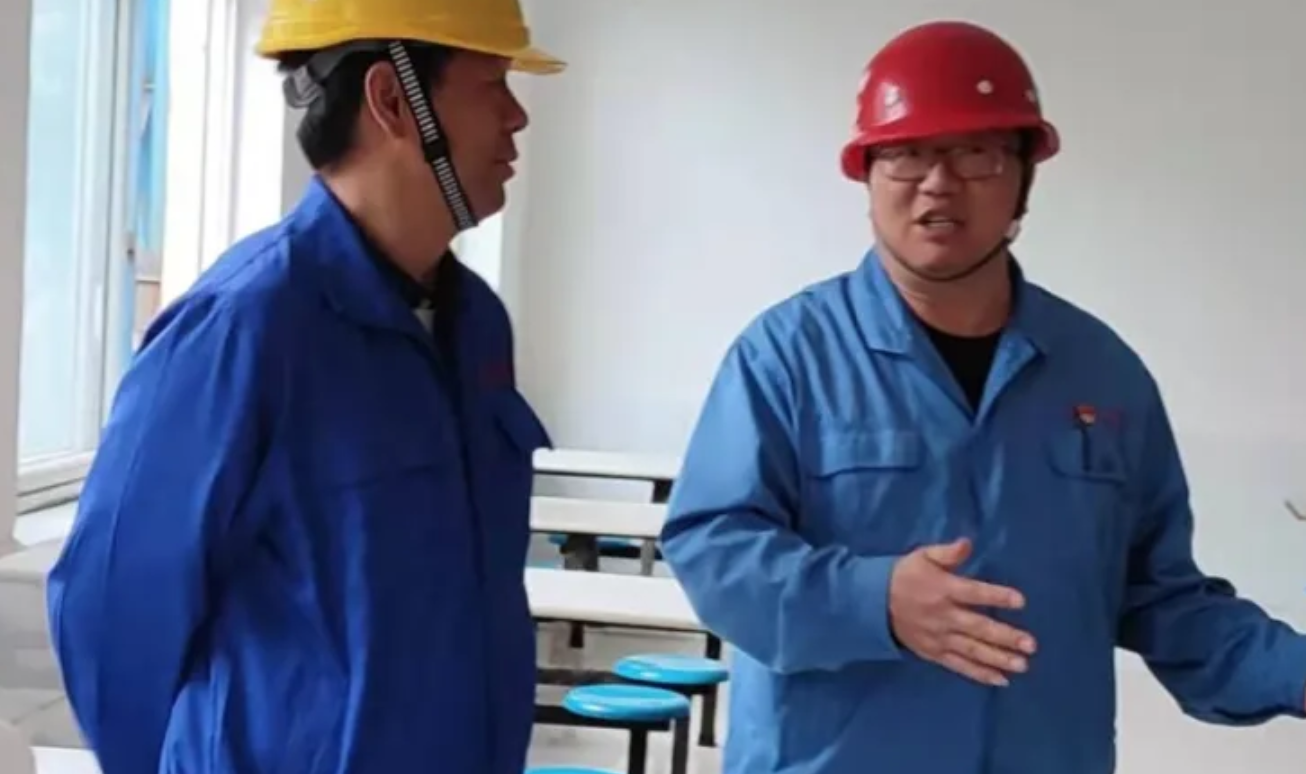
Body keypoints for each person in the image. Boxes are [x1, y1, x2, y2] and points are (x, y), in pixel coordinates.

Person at [659, 19, 1306, 774]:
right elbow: (714, 550)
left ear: (1023, 178)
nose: (939, 182)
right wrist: (873, 600)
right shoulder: (787, 357)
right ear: (867, 176)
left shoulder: (1102, 373)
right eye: (906, 153)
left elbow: (1164, 600)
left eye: (976, 153)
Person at [44, 2, 561, 772]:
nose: (517, 117)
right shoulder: (246, 326)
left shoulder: (477, 323)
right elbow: (114, 611)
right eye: (492, 84)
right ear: (393, 100)